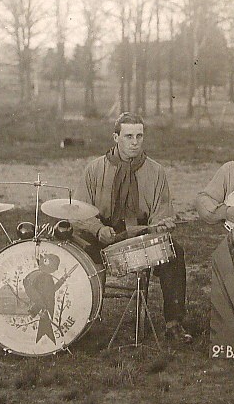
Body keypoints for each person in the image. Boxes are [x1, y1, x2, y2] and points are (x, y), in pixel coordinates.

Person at [72, 112, 192, 343]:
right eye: (128, 136)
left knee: (175, 254)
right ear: (115, 137)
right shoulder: (95, 169)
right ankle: (82, 321)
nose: (134, 142)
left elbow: (161, 211)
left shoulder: (156, 172)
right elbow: (80, 210)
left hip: (141, 237)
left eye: (139, 136)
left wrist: (159, 228)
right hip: (103, 236)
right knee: (79, 256)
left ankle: (174, 323)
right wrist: (98, 230)